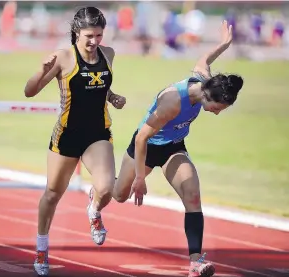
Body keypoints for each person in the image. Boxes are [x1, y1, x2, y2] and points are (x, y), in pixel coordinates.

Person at [111, 20, 243, 277]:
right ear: (208, 98)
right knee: (119, 195)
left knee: (192, 195)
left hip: (173, 147)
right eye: (218, 108)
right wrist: (140, 178)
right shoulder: (172, 102)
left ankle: (196, 260)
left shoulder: (204, 82)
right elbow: (141, 138)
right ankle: (98, 192)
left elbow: (203, 59)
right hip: (147, 146)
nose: (216, 114)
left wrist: (223, 45)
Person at [24, 6, 126, 276]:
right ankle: (42, 248)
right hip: (67, 134)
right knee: (53, 194)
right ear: (76, 32)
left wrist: (112, 97)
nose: (94, 42)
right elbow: (29, 91)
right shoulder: (63, 57)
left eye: (99, 35)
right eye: (89, 36)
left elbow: (99, 85)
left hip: (97, 132)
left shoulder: (109, 54)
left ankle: (93, 210)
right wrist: (41, 70)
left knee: (106, 189)